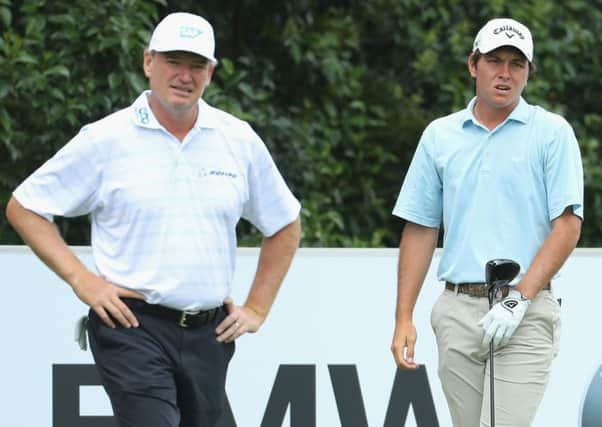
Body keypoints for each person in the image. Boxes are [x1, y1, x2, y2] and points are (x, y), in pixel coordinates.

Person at [5, 12, 301, 427]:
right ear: (149, 62)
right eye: (173, 61)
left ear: (211, 73)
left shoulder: (238, 139)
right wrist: (82, 279)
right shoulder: (106, 138)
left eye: (196, 65)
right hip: (131, 325)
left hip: (209, 334)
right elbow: (26, 206)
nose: (184, 75)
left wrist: (256, 307)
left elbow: (285, 225)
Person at [390, 17, 583, 426]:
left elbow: (567, 227)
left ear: (528, 71)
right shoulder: (440, 135)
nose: (505, 73)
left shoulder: (552, 133)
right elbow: (421, 227)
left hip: (526, 310)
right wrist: (403, 316)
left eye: (517, 64)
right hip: (457, 310)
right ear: (473, 65)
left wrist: (517, 300)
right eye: (495, 60)